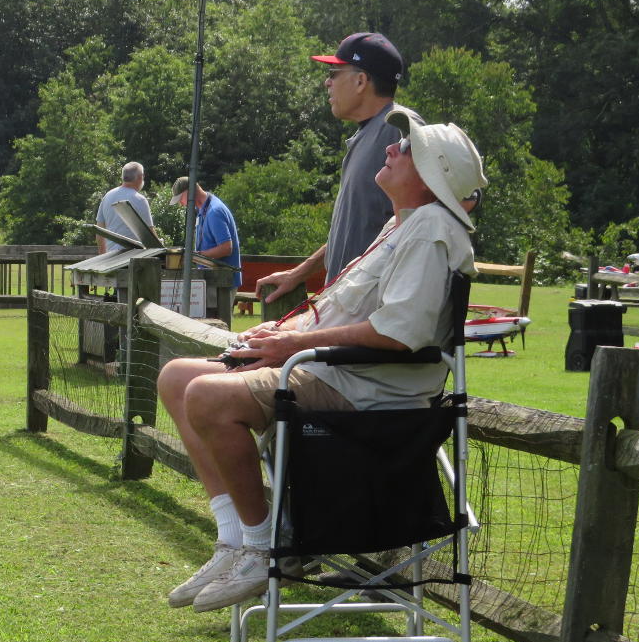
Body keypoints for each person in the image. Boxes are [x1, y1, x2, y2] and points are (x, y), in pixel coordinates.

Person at [157, 110, 486, 613]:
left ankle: (264, 546)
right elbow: (347, 308)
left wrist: (288, 348)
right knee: (176, 376)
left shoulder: (430, 231)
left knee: (205, 395)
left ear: (429, 172)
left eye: (405, 148)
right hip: (333, 372)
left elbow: (398, 334)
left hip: (364, 393)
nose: (390, 150)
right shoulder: (403, 225)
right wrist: (283, 330)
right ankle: (235, 540)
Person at [255, 32, 420, 304]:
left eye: (334, 73)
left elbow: (452, 203)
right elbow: (355, 229)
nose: (327, 82)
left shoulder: (399, 127)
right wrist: (299, 274)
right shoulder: (370, 133)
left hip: (372, 312)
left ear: (360, 81)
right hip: (348, 307)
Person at [169, 176, 243, 291]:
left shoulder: (214, 211)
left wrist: (196, 256)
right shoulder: (202, 210)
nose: (181, 204)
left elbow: (226, 248)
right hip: (212, 281)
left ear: (189, 192)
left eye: (181, 199)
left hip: (222, 284)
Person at [96, 162, 155, 254]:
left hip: (110, 256)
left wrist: (102, 257)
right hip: (132, 257)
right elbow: (150, 236)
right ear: (141, 177)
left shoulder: (107, 196)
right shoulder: (140, 200)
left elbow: (99, 231)